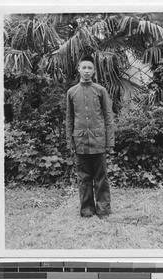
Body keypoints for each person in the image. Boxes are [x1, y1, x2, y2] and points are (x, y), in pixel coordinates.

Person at [66, 54, 115, 219]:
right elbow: (69, 119)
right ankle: (87, 210)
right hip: (80, 140)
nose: (86, 71)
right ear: (78, 69)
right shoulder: (71, 92)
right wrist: (70, 142)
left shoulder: (100, 90)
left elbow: (108, 117)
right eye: (84, 67)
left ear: (94, 71)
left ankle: (103, 210)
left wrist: (109, 141)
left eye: (90, 68)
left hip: (98, 140)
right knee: (84, 178)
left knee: (101, 177)